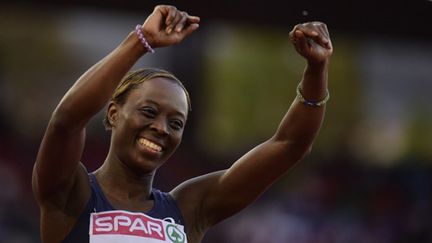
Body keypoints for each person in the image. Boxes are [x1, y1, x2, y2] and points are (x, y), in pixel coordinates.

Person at [32, 5, 333, 243]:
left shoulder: (189, 210)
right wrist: (140, 42)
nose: (162, 128)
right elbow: (66, 122)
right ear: (113, 113)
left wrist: (317, 69)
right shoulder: (72, 193)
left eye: (175, 123)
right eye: (149, 112)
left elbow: (289, 146)